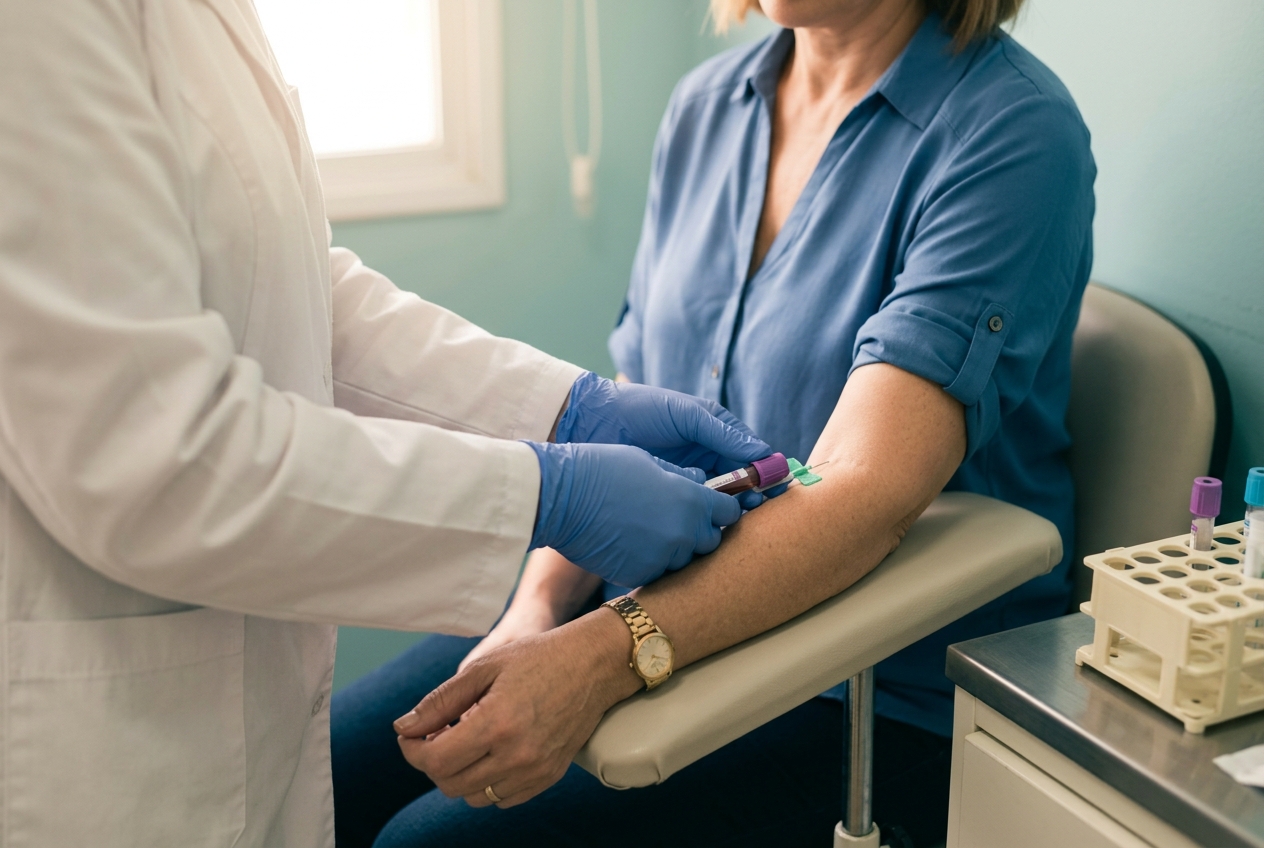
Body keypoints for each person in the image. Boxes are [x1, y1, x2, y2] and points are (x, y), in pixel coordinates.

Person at [0, 1, 775, 845]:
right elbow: (149, 456)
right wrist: (545, 496)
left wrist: (567, 409)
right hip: (89, 738)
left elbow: (285, 287)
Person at [332, 0, 1096, 845]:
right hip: (642, 605)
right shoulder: (709, 105)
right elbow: (630, 433)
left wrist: (599, 658)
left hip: (873, 686)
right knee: (325, 772)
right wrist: (534, 611)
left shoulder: (1011, 135)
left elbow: (861, 493)